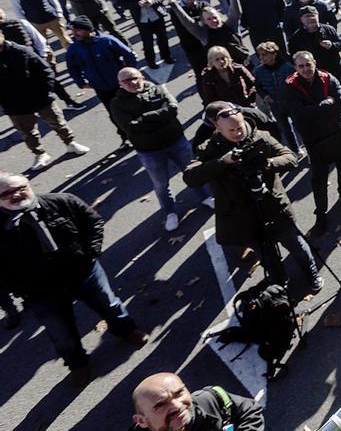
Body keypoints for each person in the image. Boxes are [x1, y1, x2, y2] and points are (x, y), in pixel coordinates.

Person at [0, 173, 149, 384]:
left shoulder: (62, 201)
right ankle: (77, 364)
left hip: (84, 273)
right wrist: (20, 290)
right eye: (7, 193)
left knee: (110, 305)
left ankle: (126, 331)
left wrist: (90, 255)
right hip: (42, 292)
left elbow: (93, 223)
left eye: (20, 187)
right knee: (61, 333)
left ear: (28, 183)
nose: (16, 194)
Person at [184, 102, 323, 293]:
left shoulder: (261, 137)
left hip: (273, 205)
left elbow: (290, 157)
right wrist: (222, 162)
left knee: (296, 245)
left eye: (239, 127)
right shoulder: (209, 149)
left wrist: (268, 163)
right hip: (244, 215)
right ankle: (279, 283)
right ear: (217, 127)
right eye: (231, 130)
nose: (237, 133)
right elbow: (191, 177)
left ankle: (312, 274)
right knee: (267, 255)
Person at [111, 67, 213, 232]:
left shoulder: (156, 89)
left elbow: (173, 109)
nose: (133, 83)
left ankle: (205, 196)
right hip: (149, 150)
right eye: (127, 81)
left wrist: (144, 118)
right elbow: (130, 127)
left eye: (135, 78)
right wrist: (161, 115)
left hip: (176, 141)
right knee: (161, 184)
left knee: (192, 171)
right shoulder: (117, 103)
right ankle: (170, 212)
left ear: (142, 77)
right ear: (120, 84)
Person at [281, 51, 341, 235]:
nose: (306, 69)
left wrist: (314, 111)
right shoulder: (290, 87)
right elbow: (298, 115)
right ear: (296, 68)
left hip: (339, 134)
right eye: (301, 66)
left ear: (314, 62)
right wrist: (325, 105)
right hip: (315, 142)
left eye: (308, 64)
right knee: (319, 181)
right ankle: (321, 213)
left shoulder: (328, 78)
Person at [0, 30, 89, 171]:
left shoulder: (21, 51)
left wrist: (45, 91)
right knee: (27, 132)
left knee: (58, 122)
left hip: (39, 98)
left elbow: (45, 70)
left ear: (2, 35)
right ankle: (40, 154)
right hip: (14, 105)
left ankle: (70, 143)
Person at [65, 17, 139, 143]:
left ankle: (143, 132)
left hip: (122, 85)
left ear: (88, 30)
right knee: (114, 114)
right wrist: (81, 83)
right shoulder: (74, 48)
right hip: (101, 88)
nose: (74, 34)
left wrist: (129, 75)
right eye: (73, 31)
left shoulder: (107, 41)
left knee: (134, 108)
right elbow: (72, 67)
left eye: (78, 30)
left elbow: (129, 55)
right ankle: (125, 137)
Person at [130, 371, 265, 431]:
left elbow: (250, 409)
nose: (177, 406)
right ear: (141, 421)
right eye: (160, 405)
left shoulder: (212, 399)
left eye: (179, 393)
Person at [116, 0, 174, 68]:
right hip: (142, 19)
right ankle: (150, 61)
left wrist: (152, 2)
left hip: (156, 15)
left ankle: (167, 56)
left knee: (163, 38)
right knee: (148, 42)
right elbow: (120, 3)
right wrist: (137, 4)